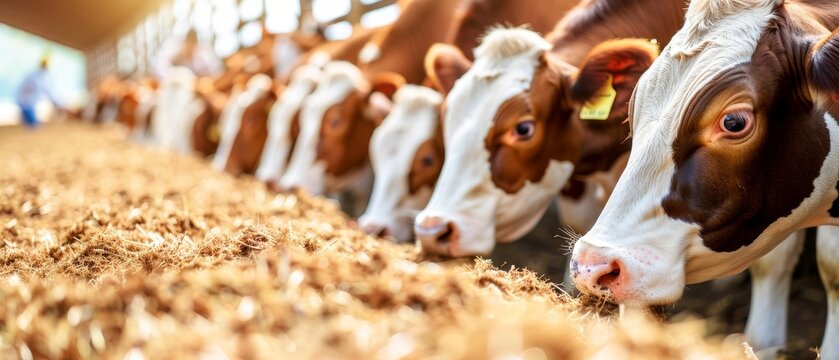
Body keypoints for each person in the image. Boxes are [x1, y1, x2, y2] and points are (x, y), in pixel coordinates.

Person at [154, 30, 222, 79]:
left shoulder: (203, 59)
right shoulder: (175, 54)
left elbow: (215, 72)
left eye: (192, 46)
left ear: (196, 46)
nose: (190, 49)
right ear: (184, 43)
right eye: (188, 45)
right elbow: (161, 69)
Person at [16, 57, 62, 128]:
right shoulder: (37, 77)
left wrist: (56, 102)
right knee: (34, 126)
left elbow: (48, 91)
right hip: (26, 105)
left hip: (27, 103)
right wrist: (56, 103)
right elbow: (47, 91)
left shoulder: (37, 76)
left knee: (31, 125)